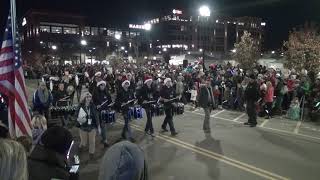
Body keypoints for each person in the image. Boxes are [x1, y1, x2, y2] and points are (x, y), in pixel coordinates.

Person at [77, 92, 100, 159]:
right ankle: (80, 147)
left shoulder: (93, 105)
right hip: (83, 126)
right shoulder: (80, 106)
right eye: (87, 97)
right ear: (84, 98)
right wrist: (79, 120)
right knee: (84, 142)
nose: (88, 98)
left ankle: (91, 154)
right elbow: (76, 115)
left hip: (92, 126)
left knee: (92, 141)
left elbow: (96, 116)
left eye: (90, 97)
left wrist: (98, 126)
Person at [93, 81, 112, 148]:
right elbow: (92, 102)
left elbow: (110, 101)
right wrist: (96, 105)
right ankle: (103, 139)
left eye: (104, 85)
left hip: (104, 111)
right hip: (97, 111)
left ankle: (104, 139)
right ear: (99, 86)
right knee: (98, 125)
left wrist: (109, 107)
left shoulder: (106, 93)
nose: (102, 87)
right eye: (101, 85)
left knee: (103, 126)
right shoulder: (95, 93)